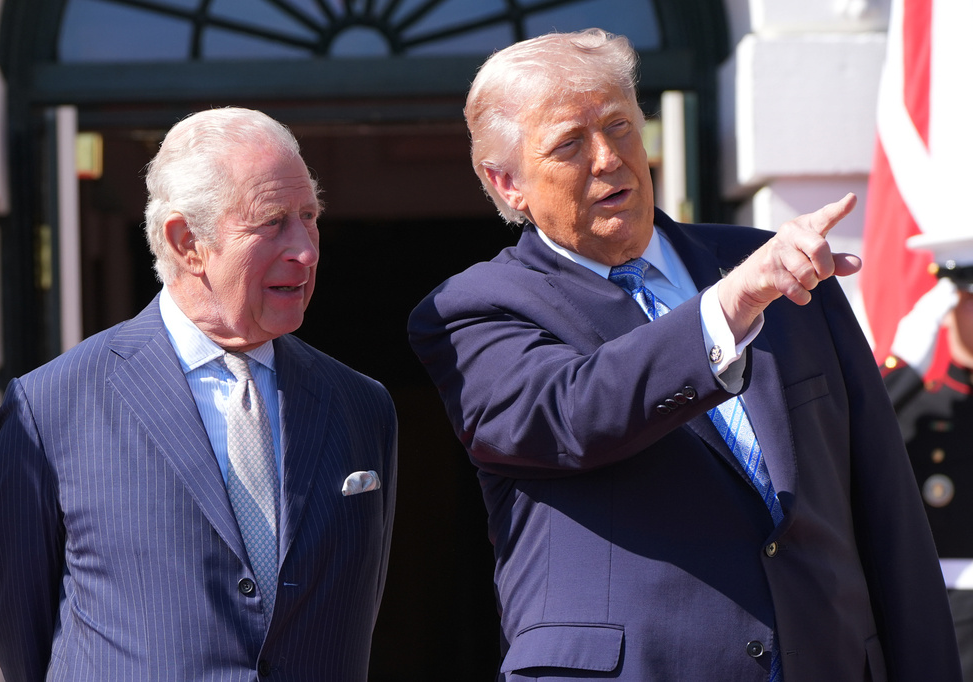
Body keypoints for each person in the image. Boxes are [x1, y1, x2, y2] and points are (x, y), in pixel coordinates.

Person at [408, 29, 960, 681]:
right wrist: (727, 308)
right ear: (506, 183)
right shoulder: (474, 309)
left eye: (620, 126)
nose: (609, 158)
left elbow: (887, 506)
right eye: (570, 144)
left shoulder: (772, 265)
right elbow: (573, 414)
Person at [0, 107, 397, 681]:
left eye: (310, 217)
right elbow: (24, 646)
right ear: (186, 242)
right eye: (273, 221)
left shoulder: (361, 405)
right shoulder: (49, 408)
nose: (306, 249)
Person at [881, 233, 973, 681]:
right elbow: (842, 440)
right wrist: (902, 369)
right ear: (948, 308)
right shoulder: (915, 409)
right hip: (948, 611)